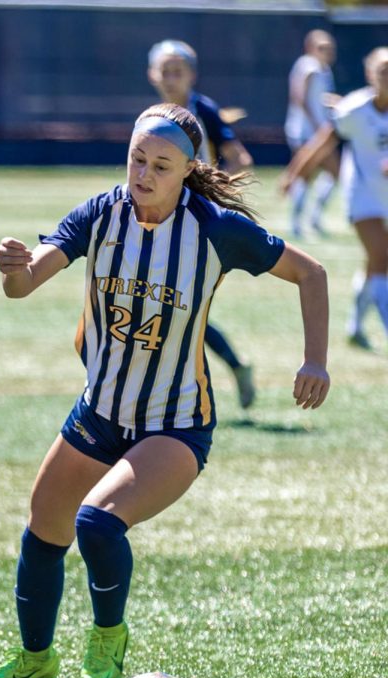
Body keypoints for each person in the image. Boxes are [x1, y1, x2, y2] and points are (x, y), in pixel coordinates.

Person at [0, 103, 329, 678]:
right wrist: (13, 269)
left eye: (161, 165)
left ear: (188, 170)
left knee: (97, 523)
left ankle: (108, 642)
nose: (142, 174)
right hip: (100, 410)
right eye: (137, 158)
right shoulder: (101, 213)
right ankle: (35, 657)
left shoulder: (215, 228)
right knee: (43, 530)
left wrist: (314, 359)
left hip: (176, 424)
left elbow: (311, 273)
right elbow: (26, 282)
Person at [148, 39, 257, 409]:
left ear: (191, 75)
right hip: (161, 218)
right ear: (153, 75)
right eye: (165, 70)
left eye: (178, 70)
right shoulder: (154, 116)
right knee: (174, 306)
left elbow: (238, 156)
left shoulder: (202, 109)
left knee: (178, 307)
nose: (171, 77)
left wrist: (219, 191)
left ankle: (186, 393)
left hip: (197, 220)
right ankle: (230, 369)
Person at [281, 47, 388, 352]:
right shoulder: (355, 109)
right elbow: (322, 144)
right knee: (382, 257)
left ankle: (355, 325)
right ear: (370, 75)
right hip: (363, 194)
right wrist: (294, 174)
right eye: (383, 71)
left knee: (376, 262)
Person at [284, 30, 340, 239]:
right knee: (304, 177)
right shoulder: (308, 65)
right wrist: (318, 126)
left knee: (334, 173)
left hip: (320, 132)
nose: (327, 52)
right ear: (310, 47)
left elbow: (319, 98)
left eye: (330, 48)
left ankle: (313, 219)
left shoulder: (324, 69)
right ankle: (297, 223)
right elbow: (300, 97)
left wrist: (335, 102)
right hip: (306, 132)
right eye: (322, 47)